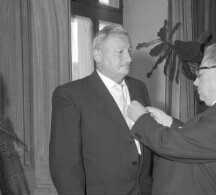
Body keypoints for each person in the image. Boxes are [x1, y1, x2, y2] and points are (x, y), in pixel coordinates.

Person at [127, 41, 216, 195]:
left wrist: (141, 118)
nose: (195, 82)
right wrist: (168, 121)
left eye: (200, 74)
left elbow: (169, 144)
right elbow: (199, 140)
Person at [49, 25, 152, 195]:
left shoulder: (139, 88)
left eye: (129, 50)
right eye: (120, 52)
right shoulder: (70, 95)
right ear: (97, 55)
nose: (128, 58)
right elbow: (64, 165)